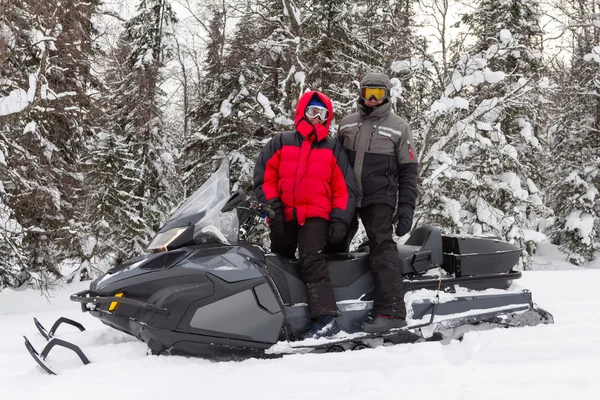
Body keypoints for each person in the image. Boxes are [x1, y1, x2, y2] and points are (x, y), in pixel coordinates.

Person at [253, 91, 356, 339]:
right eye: (312, 112)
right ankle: (277, 315)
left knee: (312, 260)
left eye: (322, 114)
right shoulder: (281, 141)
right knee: (279, 260)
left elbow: (345, 188)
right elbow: (265, 176)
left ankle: (325, 318)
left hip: (316, 215)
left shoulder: (333, 149)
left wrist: (340, 218)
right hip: (284, 213)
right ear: (302, 112)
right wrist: (272, 206)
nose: (316, 118)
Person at [330, 72, 419, 334]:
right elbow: (332, 163)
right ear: (360, 93)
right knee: (332, 244)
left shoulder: (399, 127)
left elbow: (409, 171)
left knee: (382, 249)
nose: (371, 99)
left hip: (378, 197)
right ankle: (329, 307)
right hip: (346, 196)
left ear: (388, 95)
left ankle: (391, 311)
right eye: (367, 92)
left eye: (377, 94)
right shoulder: (346, 124)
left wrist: (406, 208)